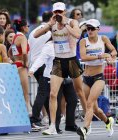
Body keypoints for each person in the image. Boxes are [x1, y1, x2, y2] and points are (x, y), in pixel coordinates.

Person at [34, 2, 87, 135]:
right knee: (53, 94)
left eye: (60, 12)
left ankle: (88, 120)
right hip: (58, 61)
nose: (58, 14)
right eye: (56, 12)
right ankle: (52, 126)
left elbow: (77, 34)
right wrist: (49, 25)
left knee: (80, 91)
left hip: (72, 60)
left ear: (64, 12)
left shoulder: (72, 22)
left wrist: (66, 24)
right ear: (53, 12)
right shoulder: (51, 25)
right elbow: (36, 35)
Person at [76, 19, 117, 140]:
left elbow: (114, 50)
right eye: (88, 28)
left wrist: (110, 55)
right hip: (86, 77)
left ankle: (85, 129)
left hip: (99, 77)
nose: (90, 31)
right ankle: (108, 121)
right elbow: (83, 57)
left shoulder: (103, 39)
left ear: (98, 29)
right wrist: (100, 55)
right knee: (95, 109)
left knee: (89, 104)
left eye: (92, 28)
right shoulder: (83, 41)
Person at [8, 19, 30, 110]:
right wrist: (25, 63)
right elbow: (24, 52)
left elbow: (9, 52)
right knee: (25, 94)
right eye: (27, 26)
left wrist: (14, 60)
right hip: (21, 66)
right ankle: (28, 115)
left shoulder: (15, 37)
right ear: (23, 27)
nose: (28, 28)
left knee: (18, 93)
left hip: (16, 65)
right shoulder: (23, 37)